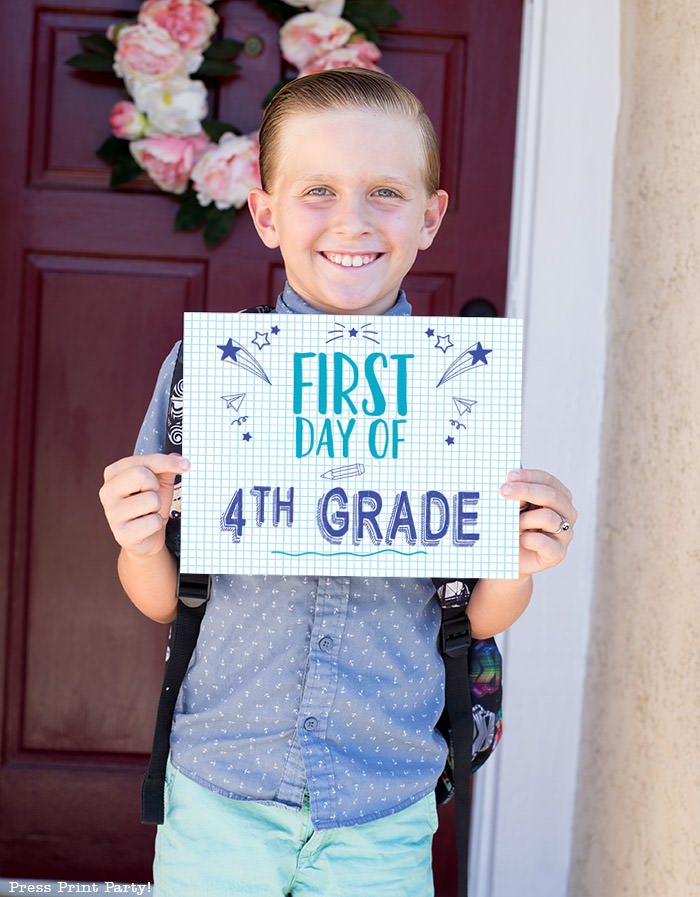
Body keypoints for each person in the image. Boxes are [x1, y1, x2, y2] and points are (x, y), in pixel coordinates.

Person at [99, 69, 576, 897]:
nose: (351, 221)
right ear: (266, 214)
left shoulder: (456, 388)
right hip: (220, 786)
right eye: (317, 190)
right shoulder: (206, 379)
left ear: (430, 216)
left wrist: (522, 560)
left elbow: (477, 611)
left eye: (386, 191)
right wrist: (138, 539)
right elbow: (160, 597)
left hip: (382, 801)